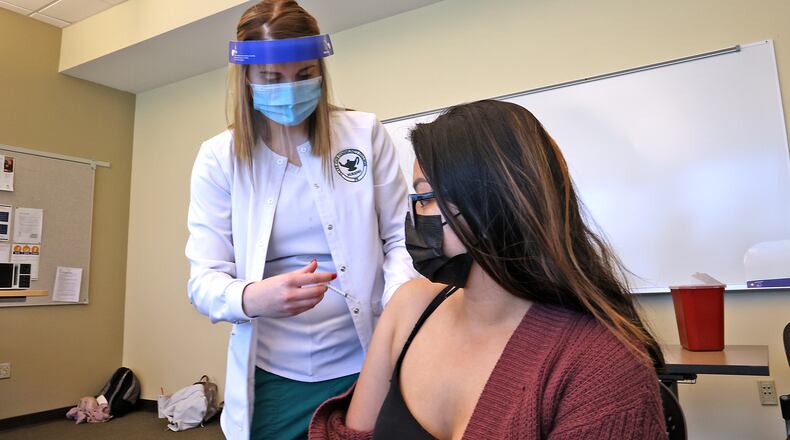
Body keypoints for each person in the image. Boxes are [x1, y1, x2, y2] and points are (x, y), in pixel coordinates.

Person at [310, 100, 667, 439]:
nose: (417, 215)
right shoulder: (410, 309)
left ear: (490, 203)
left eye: (427, 197)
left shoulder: (603, 366)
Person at [185, 1, 418, 439]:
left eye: (304, 74)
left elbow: (399, 238)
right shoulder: (218, 159)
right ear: (247, 78)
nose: (290, 91)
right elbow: (204, 281)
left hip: (365, 360)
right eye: (272, 79)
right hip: (275, 373)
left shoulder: (364, 134)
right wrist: (252, 297)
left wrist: (398, 307)